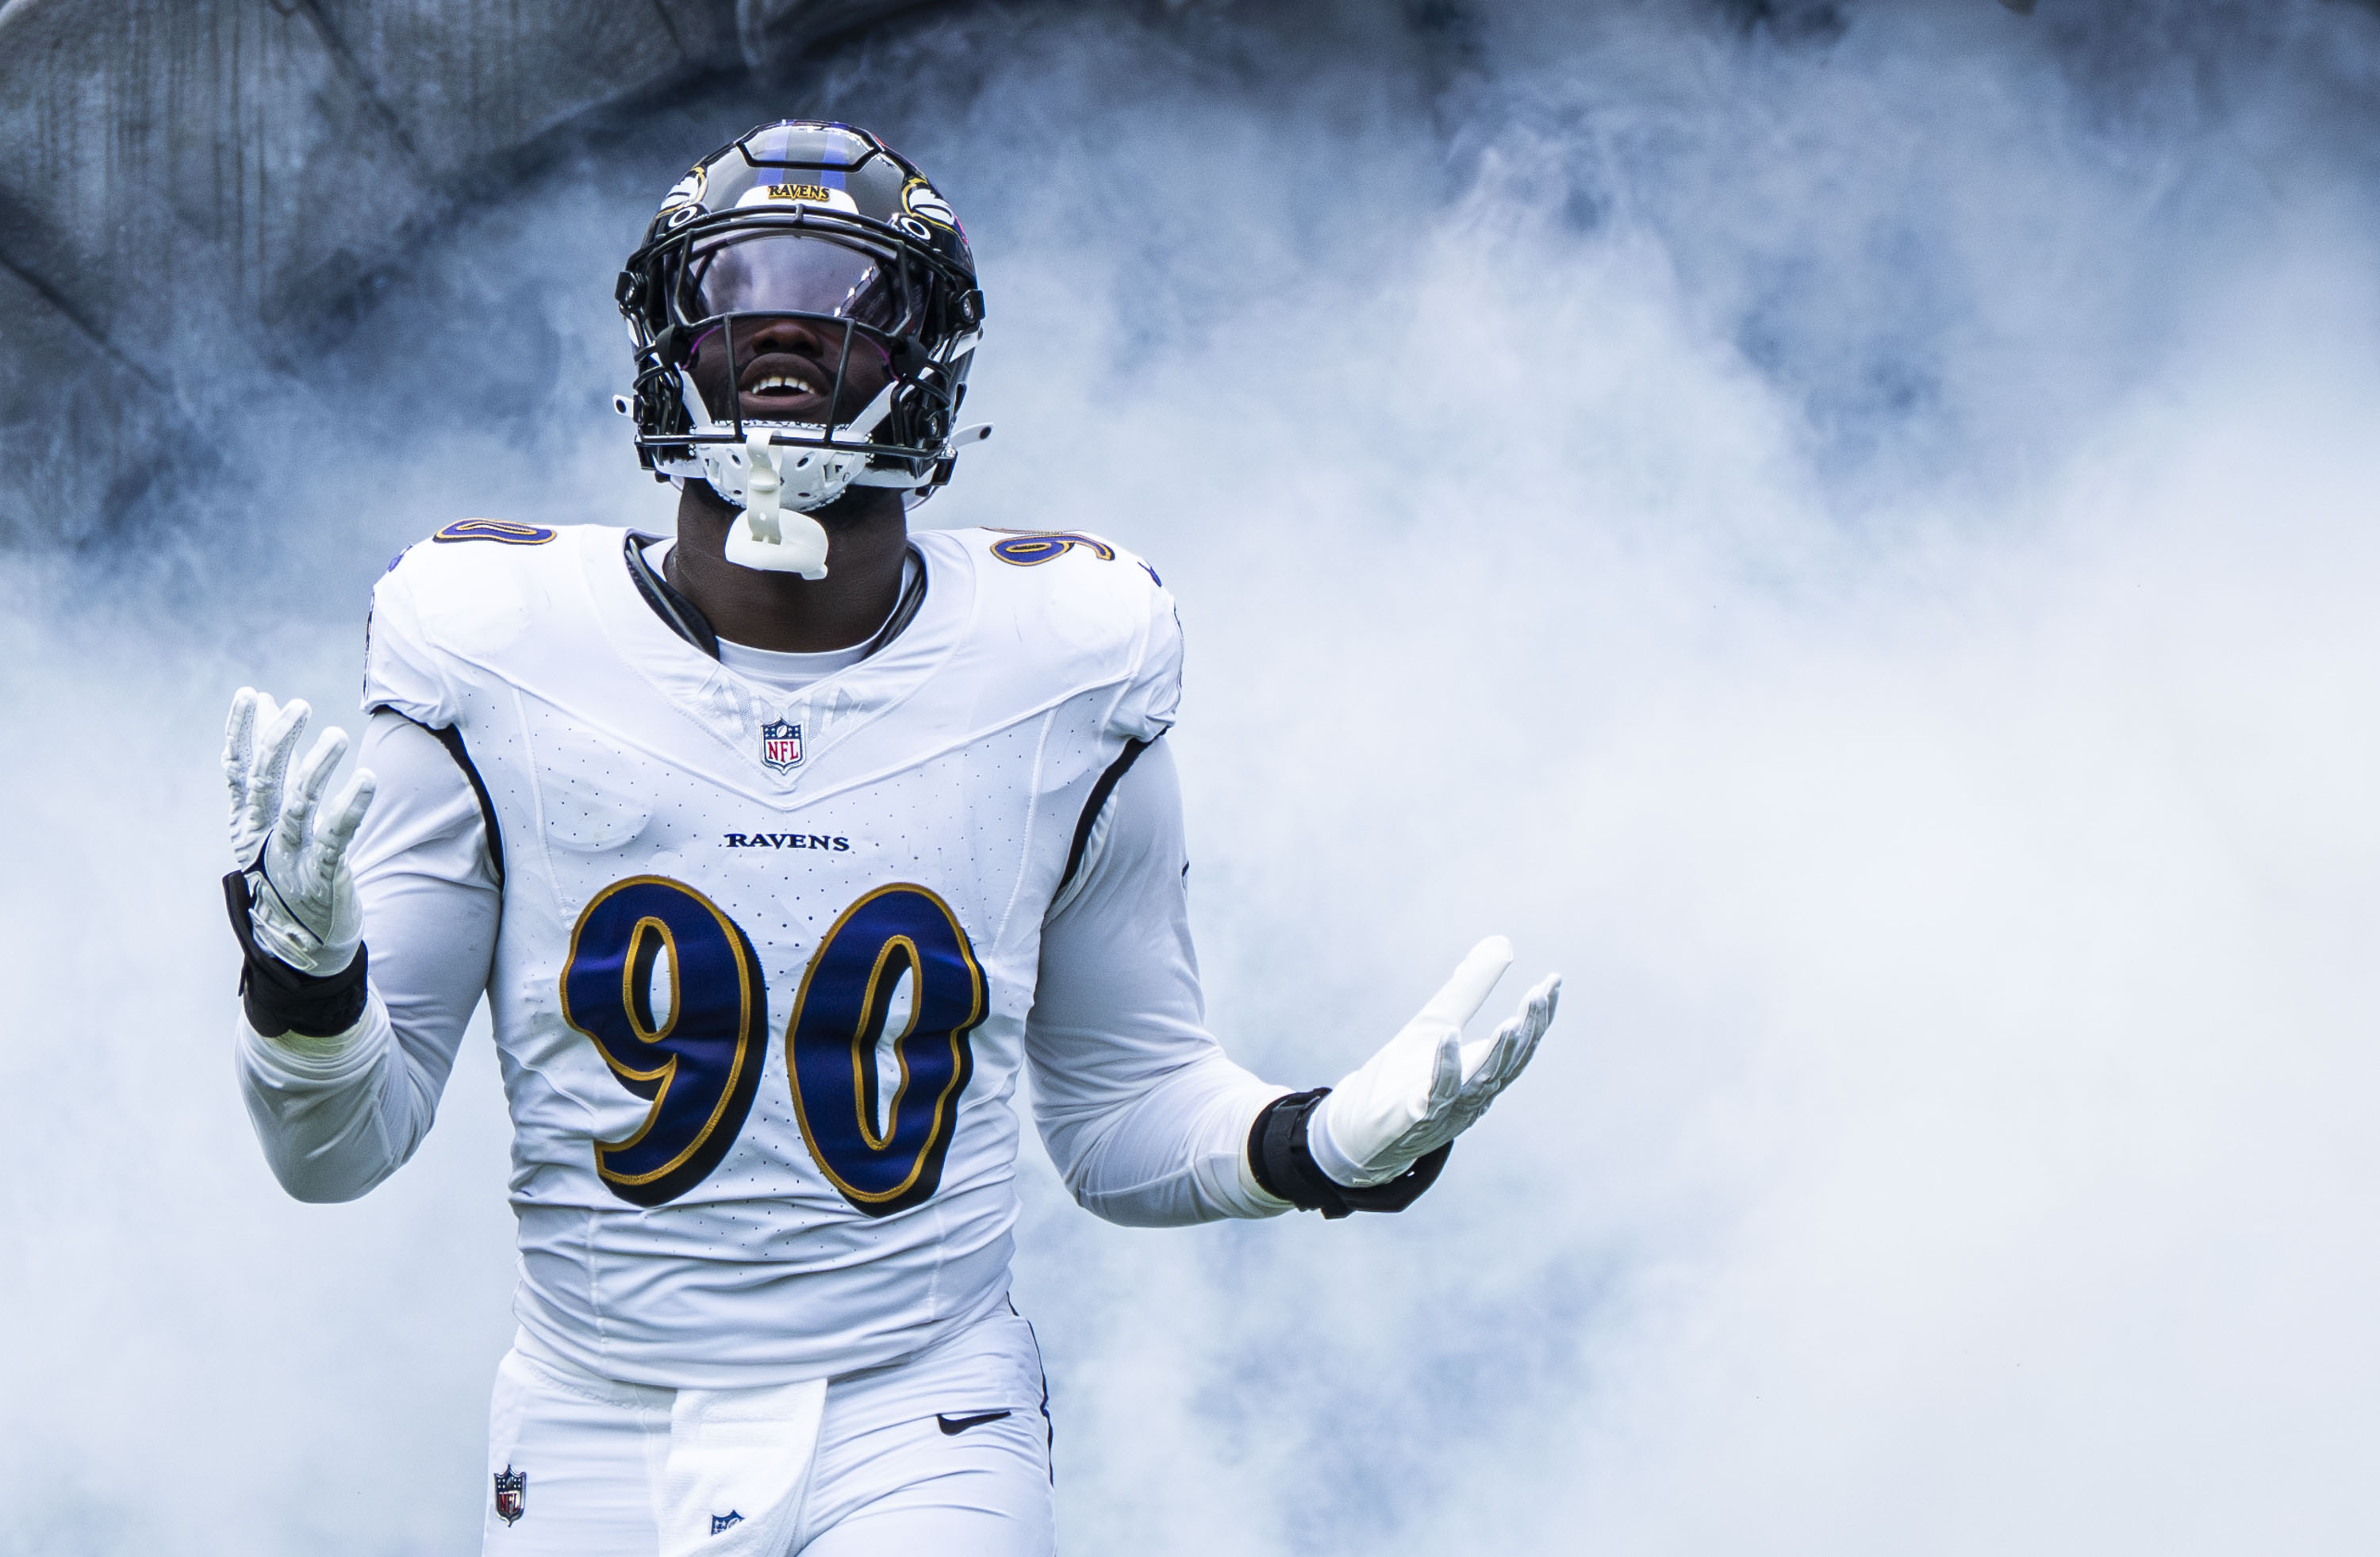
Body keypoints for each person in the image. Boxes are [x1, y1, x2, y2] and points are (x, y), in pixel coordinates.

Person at [220, 119, 1560, 1557]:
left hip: (923, 1410)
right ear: (659, 340)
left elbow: (1118, 1114)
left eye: (844, 304)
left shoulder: (1065, 660)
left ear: (935, 372)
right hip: (590, 1415)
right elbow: (340, 1150)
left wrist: (1311, 1145)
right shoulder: (490, 643)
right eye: (735, 295)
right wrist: (304, 989)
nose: (783, 340)